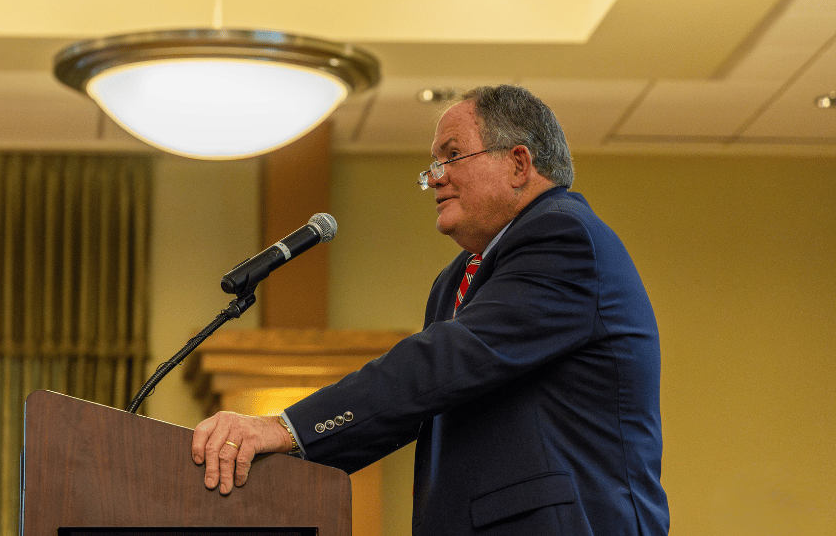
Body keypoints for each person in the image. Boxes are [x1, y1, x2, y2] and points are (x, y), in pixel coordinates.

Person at [191, 84, 670, 535]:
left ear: (519, 164)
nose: (434, 176)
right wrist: (275, 454)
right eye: (433, 163)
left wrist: (281, 427)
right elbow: (411, 408)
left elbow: (447, 360)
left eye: (453, 155)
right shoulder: (454, 280)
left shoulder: (564, 238)